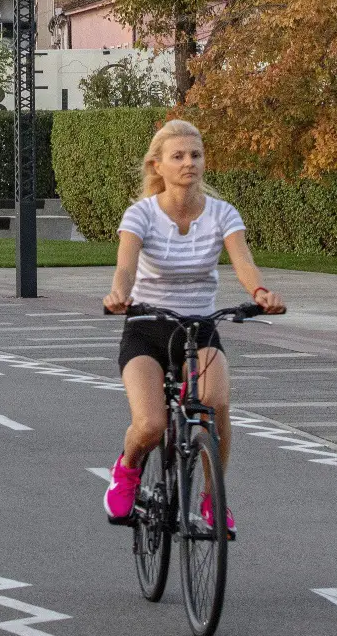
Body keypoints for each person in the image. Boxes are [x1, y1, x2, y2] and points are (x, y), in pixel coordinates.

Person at [100, 119, 284, 534]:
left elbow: (242, 260)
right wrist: (118, 294)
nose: (189, 163)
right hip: (147, 328)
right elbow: (125, 267)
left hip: (199, 328)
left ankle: (211, 497)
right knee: (150, 425)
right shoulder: (141, 214)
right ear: (158, 166)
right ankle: (127, 470)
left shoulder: (222, 214)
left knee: (216, 405)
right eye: (178, 156)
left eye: (195, 155)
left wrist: (260, 291)